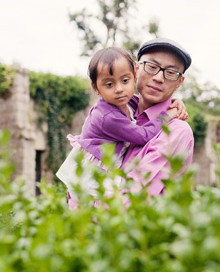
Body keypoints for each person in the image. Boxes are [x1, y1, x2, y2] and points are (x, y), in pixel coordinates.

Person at [57, 46, 186, 206]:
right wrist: (167, 115)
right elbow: (143, 136)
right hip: (93, 173)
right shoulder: (109, 116)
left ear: (134, 72)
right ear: (96, 88)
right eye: (152, 67)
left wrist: (173, 103)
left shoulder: (128, 103)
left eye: (125, 81)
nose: (119, 89)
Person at [121, 38, 195, 198]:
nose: (159, 78)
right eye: (152, 67)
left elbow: (134, 198)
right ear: (136, 69)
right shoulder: (117, 113)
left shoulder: (176, 132)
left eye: (170, 73)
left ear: (179, 82)